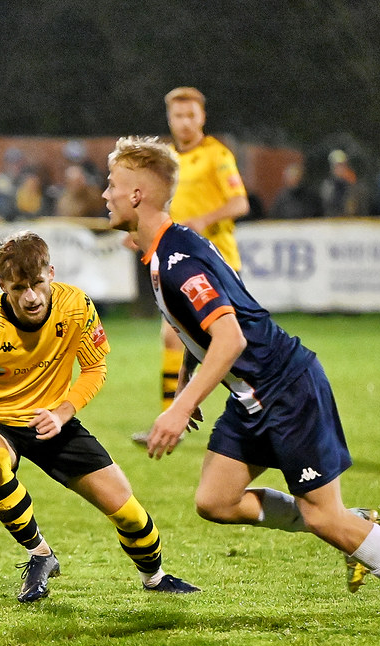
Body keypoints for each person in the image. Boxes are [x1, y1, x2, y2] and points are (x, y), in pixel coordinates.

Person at [102, 135, 380, 644]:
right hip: (251, 397)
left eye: (113, 184)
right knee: (216, 500)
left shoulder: (176, 261)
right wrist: (185, 390)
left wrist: (180, 405)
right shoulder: (171, 247)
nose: (106, 194)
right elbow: (200, 332)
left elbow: (228, 337)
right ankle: (356, 523)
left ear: (138, 195)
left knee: (323, 518)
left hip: (285, 389)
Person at [0, 231, 199, 603]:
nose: (30, 297)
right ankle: (40, 554)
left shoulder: (76, 306)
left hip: (51, 419)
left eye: (38, 284)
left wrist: (62, 412)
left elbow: (95, 367)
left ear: (51, 273)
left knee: (128, 511)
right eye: (18, 287)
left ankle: (155, 577)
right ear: (2, 286)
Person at [132, 86, 249, 446]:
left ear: (202, 117)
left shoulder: (217, 155)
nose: (184, 122)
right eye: (177, 116)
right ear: (170, 119)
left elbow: (240, 203)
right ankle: (173, 418)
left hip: (218, 262)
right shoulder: (166, 158)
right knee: (174, 336)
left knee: (228, 345)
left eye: (190, 115)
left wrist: (203, 219)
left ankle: (261, 411)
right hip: (179, 264)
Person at [320, 149, 369, 217]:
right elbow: (330, 206)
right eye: (338, 165)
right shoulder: (328, 185)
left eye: (343, 164)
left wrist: (352, 184)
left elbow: (361, 206)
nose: (341, 168)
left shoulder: (354, 183)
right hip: (334, 223)